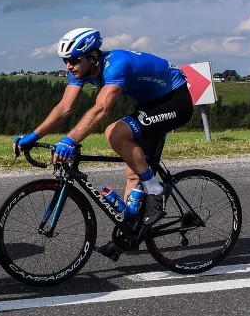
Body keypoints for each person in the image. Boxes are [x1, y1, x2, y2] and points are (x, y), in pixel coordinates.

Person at [13, 27, 194, 257]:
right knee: (132, 173)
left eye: (74, 60)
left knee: (115, 134)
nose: (69, 66)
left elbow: (101, 109)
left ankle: (156, 190)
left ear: (93, 56)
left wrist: (69, 141)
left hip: (174, 100)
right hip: (150, 104)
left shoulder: (117, 64)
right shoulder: (81, 69)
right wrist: (33, 136)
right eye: (65, 60)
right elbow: (64, 108)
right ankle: (132, 235)